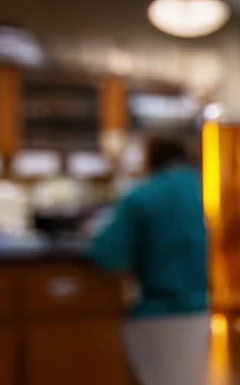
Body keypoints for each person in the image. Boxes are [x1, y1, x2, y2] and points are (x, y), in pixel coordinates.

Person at [89, 136, 208, 317]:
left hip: (161, 312)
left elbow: (108, 254)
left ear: (149, 160)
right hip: (212, 311)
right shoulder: (209, 191)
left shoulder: (142, 197)